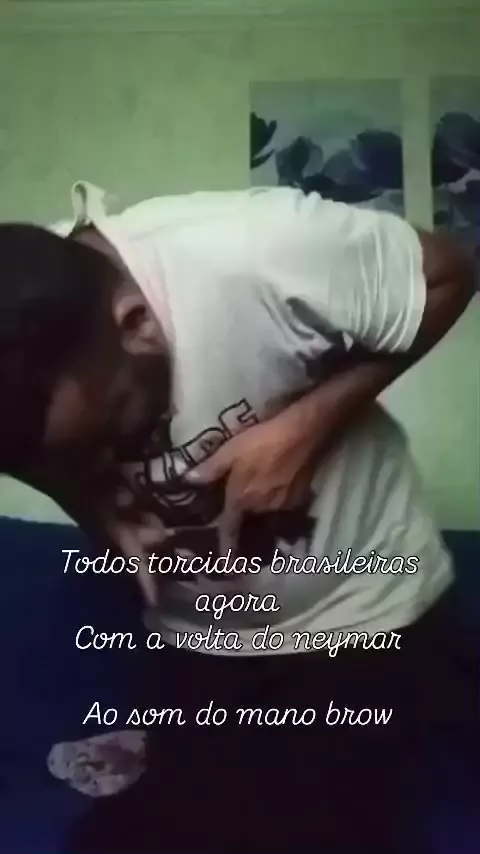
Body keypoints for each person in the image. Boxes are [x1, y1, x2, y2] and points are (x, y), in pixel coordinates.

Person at [0, 182, 476, 853]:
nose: (115, 462)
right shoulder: (17, 337)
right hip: (199, 632)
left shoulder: (252, 250)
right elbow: (23, 448)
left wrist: (308, 428)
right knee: (144, 833)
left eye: (115, 428)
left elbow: (451, 271)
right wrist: (90, 507)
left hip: (361, 612)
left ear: (136, 323)